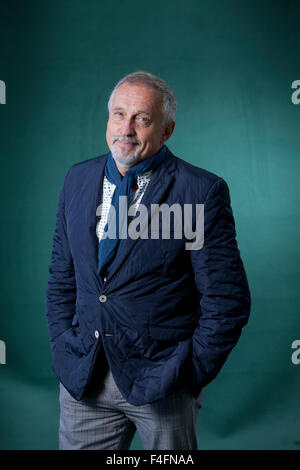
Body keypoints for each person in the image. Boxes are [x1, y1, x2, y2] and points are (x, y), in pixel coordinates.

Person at [46, 71, 251, 450]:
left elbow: (226, 299)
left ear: (166, 130)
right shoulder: (76, 179)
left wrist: (190, 373)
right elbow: (62, 275)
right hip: (84, 375)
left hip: (163, 381)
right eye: (119, 115)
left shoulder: (200, 191)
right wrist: (62, 343)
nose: (126, 128)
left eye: (142, 118)